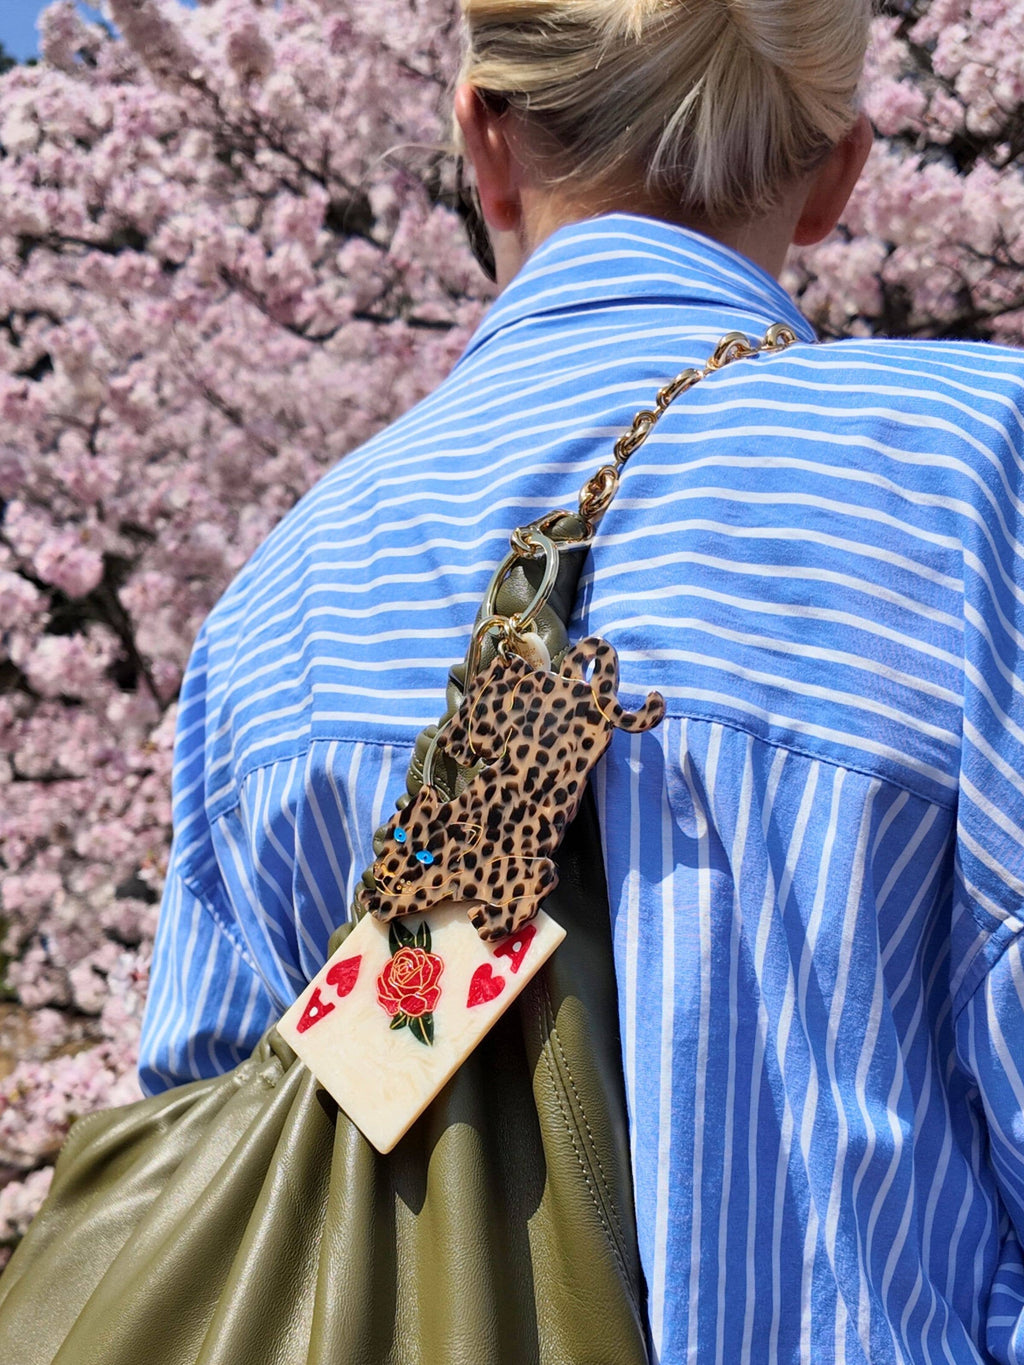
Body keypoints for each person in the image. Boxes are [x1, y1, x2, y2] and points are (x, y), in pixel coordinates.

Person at [139, 1, 1024, 1361]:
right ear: (840, 172)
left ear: (483, 139)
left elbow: (214, 1180)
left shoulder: (277, 604)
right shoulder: (976, 471)